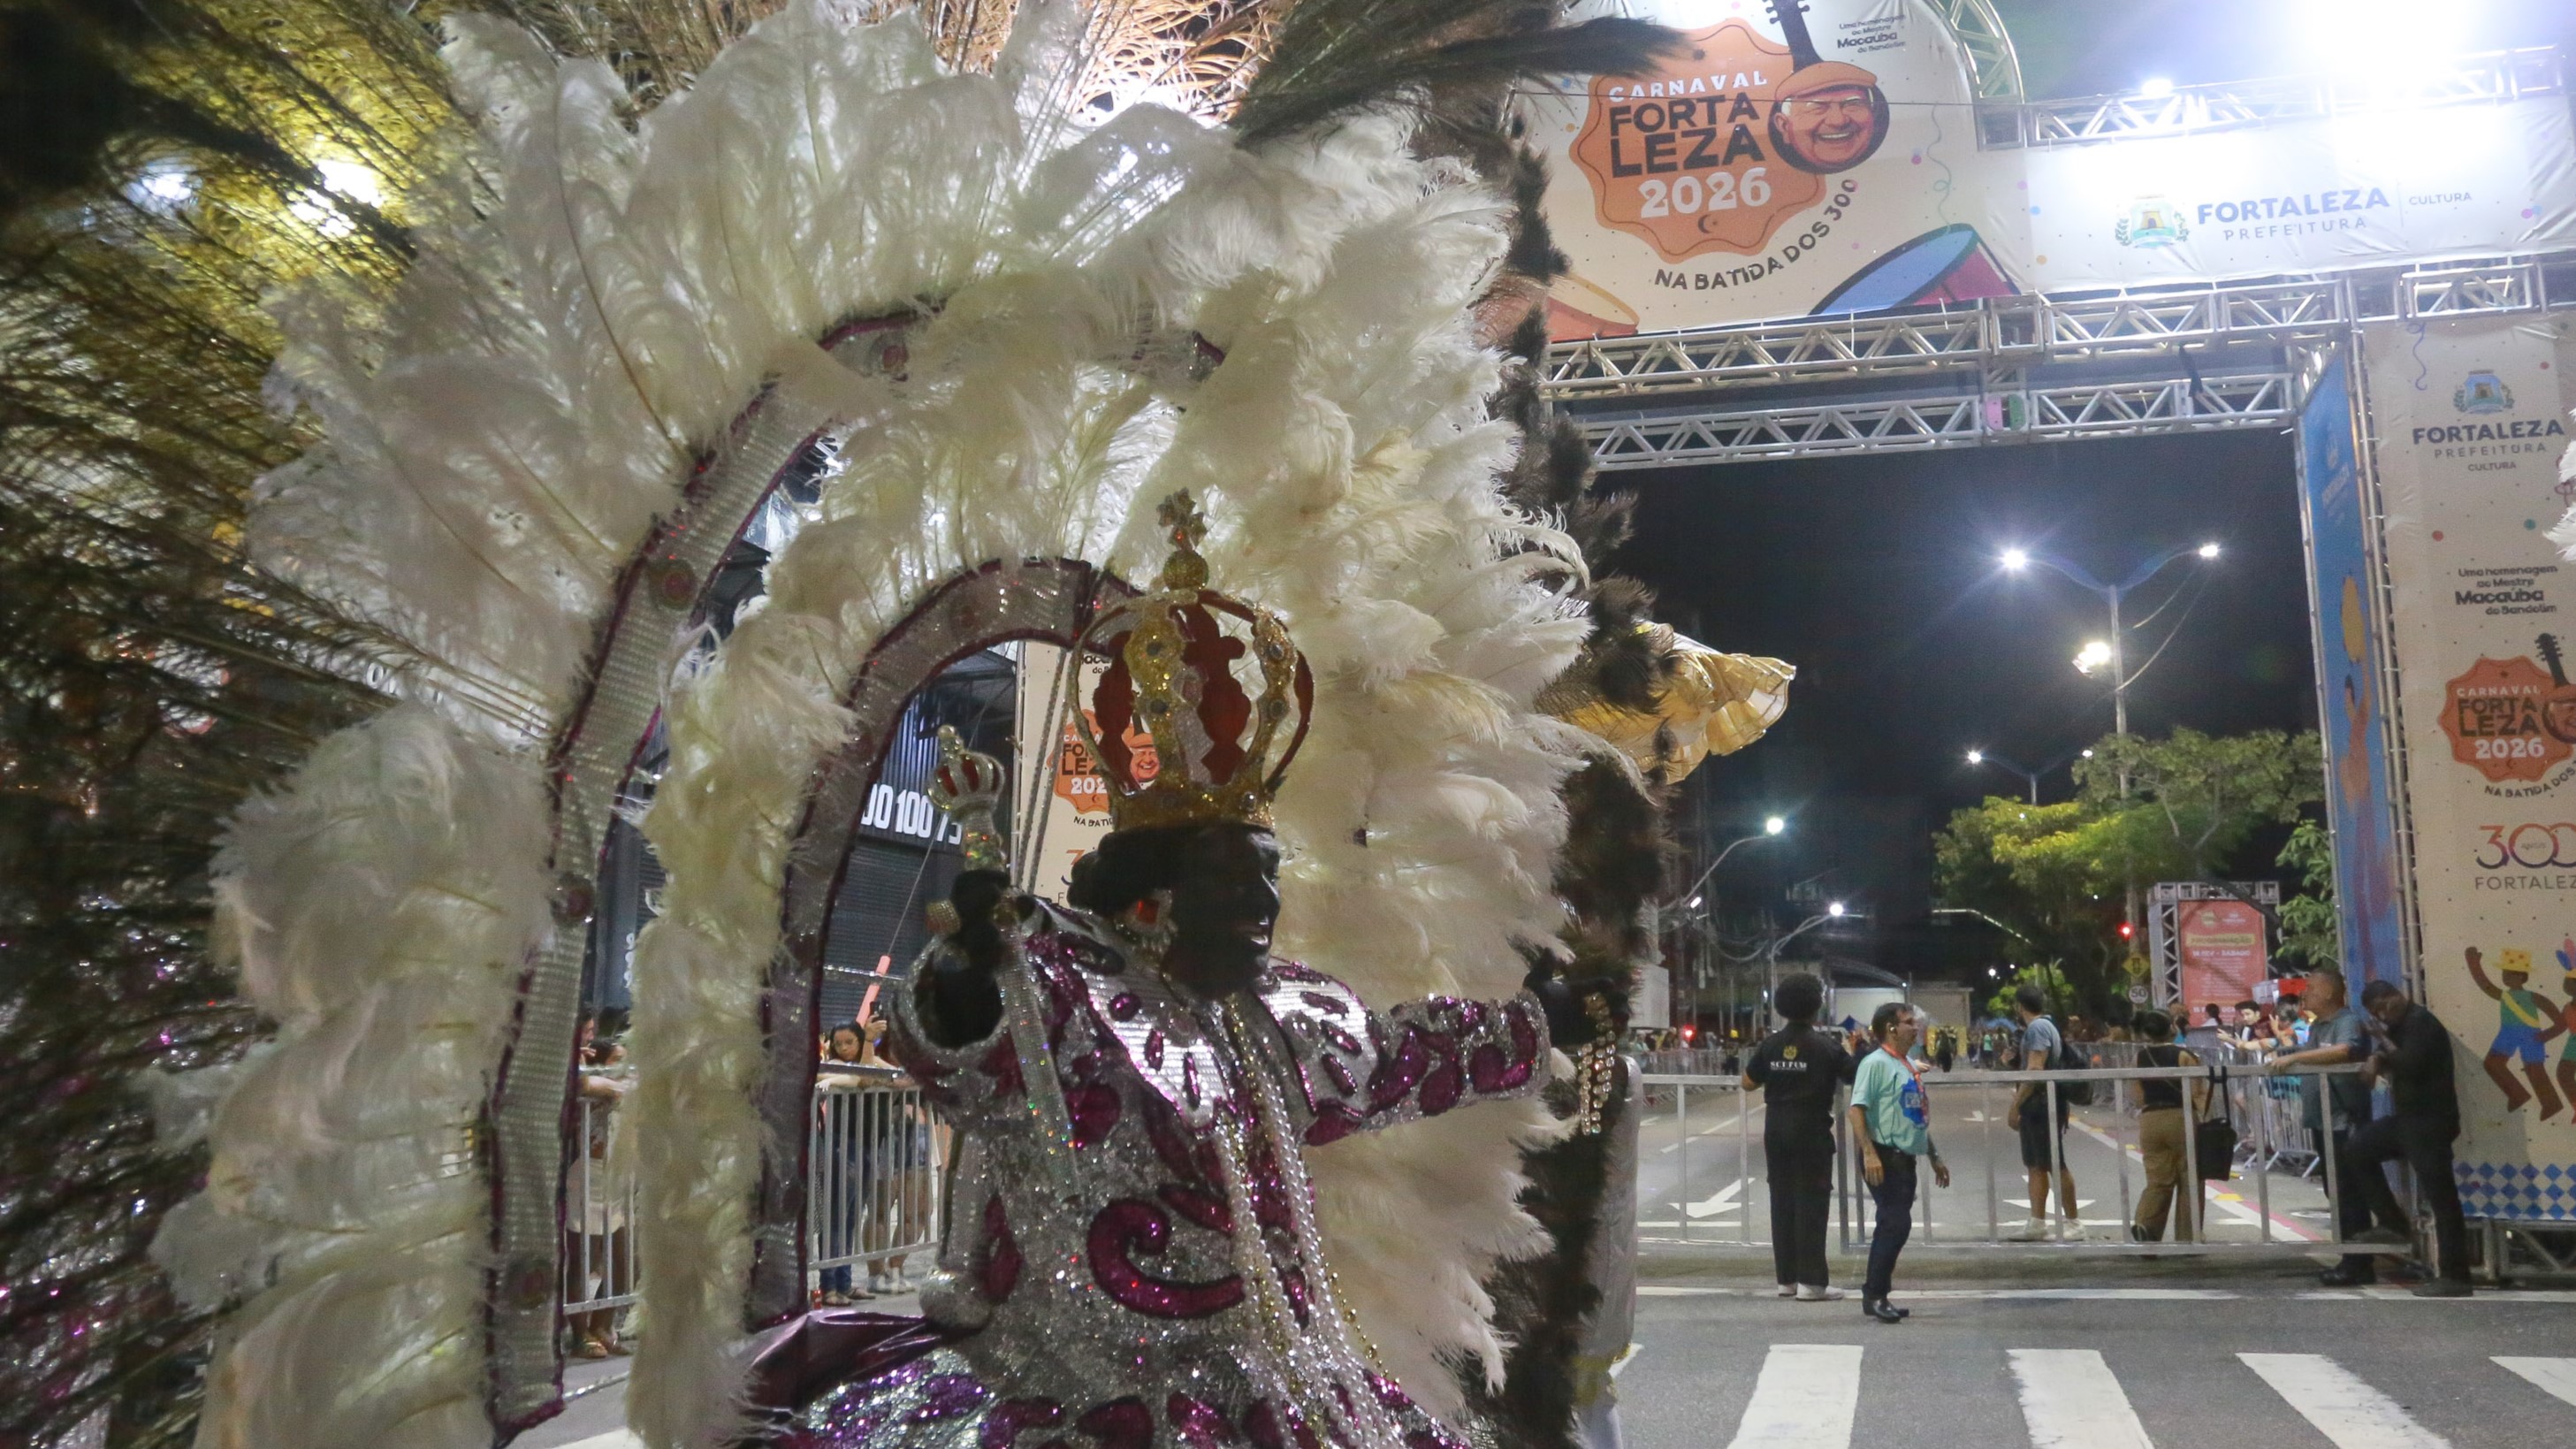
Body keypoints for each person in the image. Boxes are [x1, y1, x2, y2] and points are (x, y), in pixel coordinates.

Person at [767, 505, 1616, 1445]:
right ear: (1156, 890)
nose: (1262, 897)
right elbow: (964, 1036)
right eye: (1231, 873)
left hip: (1275, 1388)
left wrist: (1538, 1022)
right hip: (1071, 1392)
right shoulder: (1062, 979)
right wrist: (966, 974)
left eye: (1268, 871)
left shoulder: (1284, 1016)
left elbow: (1396, 1053)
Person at [2343, 980, 2474, 1296]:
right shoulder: (2400, 1027)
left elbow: (2410, 1063)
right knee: (2357, 1150)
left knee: (2442, 1199)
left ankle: (2456, 1275)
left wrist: (2381, 1042)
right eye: (2377, 1014)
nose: (2383, 1017)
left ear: (2394, 998)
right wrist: (2377, 1056)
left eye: (2383, 1010)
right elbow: (2387, 1060)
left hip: (2431, 1123)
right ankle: (2393, 1222)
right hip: (2408, 1121)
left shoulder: (2421, 1023)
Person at [1742, 973, 1856, 1301]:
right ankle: (1812, 1283)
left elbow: (1748, 1083)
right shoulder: (1826, 1046)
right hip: (1811, 1128)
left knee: (1782, 1200)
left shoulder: (1771, 1044)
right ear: (1816, 1006)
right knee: (1812, 1201)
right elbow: (1853, 1075)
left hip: (1775, 1127)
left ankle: (1787, 1280)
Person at [2265, 970, 2382, 1282]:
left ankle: (2358, 1263)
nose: (2305, 995)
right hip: (2322, 1121)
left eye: (2311, 989)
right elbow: (2310, 1053)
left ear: (2331, 993)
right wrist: (2286, 1054)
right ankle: (2350, 1256)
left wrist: (2291, 1060)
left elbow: (2344, 1051)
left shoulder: (2347, 1022)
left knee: (2349, 1193)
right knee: (2336, 1191)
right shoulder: (2319, 1025)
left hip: (2344, 1120)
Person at [1849, 1003, 1947, 1323]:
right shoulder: (1874, 1064)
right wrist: (1869, 1152)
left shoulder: (1905, 1065)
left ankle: (1876, 1294)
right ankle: (1875, 1294)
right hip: (1884, 1155)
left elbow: (1915, 1116)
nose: (1915, 1027)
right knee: (1895, 1223)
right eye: (1908, 1023)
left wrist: (1934, 1156)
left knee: (1895, 1224)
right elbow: (1857, 1109)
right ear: (1891, 1028)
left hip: (1905, 1158)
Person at [2128, 1010, 2207, 1244]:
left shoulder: (2138, 1058)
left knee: (2158, 1180)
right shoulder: (2184, 1056)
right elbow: (2196, 1093)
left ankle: (2146, 1225)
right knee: (2190, 1178)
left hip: (2150, 1120)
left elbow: (2138, 1097)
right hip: (2180, 1118)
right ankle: (2188, 1237)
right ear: (2172, 1028)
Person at [2009, 984, 2082, 1240]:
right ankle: (2037, 1222)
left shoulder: (2038, 1028)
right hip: (2040, 1103)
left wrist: (2015, 1105)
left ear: (2020, 1006)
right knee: (2036, 1165)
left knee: (2053, 1163)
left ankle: (2074, 1223)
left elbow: (2036, 1069)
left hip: (2041, 1104)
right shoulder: (2042, 1027)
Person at [2461, 946, 2565, 1118]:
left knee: (2534, 1069)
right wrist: (2473, 963)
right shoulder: (2504, 996)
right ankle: (2517, 1093)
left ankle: (2551, 1103)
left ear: (2522, 976)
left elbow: (2560, 1023)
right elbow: (2485, 985)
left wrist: (2546, 1035)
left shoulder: (2534, 997)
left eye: (2510, 974)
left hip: (2530, 1035)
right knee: (2492, 1063)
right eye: (2505, 973)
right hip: (2507, 1033)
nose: (2506, 977)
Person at [815, 1023, 875, 1306]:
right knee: (835, 1217)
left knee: (851, 1216)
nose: (844, 1048)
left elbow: (881, 1077)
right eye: (838, 1043)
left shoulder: (862, 1060)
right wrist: (842, 1078)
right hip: (839, 1144)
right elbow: (857, 1078)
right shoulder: (832, 1063)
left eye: (850, 1042)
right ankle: (829, 1286)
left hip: (863, 1144)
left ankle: (844, 1282)